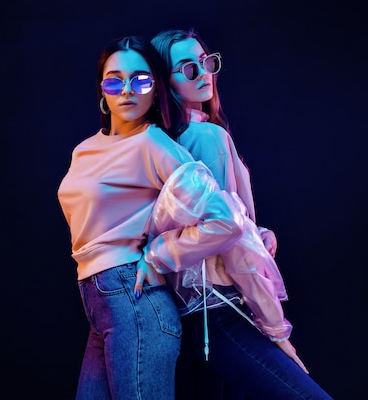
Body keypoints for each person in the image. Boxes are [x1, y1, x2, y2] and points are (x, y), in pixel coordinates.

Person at [57, 35, 246, 400]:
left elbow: (225, 219)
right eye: (115, 80)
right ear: (102, 90)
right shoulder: (84, 150)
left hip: (135, 298)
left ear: (155, 89)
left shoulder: (154, 145)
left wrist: (160, 257)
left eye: (140, 80)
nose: (127, 90)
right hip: (100, 305)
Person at [148, 28, 334, 400]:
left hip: (191, 312)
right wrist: (276, 330)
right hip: (222, 312)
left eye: (206, 63)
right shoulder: (208, 138)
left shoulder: (163, 141)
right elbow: (229, 239)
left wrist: (255, 231)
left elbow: (213, 226)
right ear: (164, 82)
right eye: (187, 69)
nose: (204, 75)